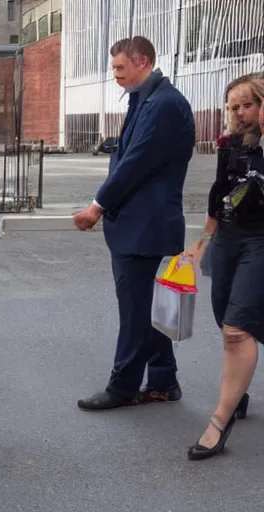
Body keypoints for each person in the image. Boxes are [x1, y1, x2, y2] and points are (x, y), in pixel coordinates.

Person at [73, 36, 196, 410]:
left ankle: (122, 388)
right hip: (142, 226)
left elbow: (136, 162)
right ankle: (162, 380)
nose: (115, 75)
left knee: (135, 312)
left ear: (142, 61)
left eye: (120, 68)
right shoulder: (150, 99)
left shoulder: (164, 104)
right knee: (149, 308)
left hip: (145, 229)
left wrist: (97, 205)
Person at [182, 75, 264, 461]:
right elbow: (219, 193)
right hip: (228, 239)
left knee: (236, 328)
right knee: (224, 317)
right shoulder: (229, 144)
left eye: (247, 105)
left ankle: (219, 420)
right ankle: (239, 389)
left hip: (261, 241)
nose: (239, 114)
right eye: (233, 107)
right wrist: (202, 243)